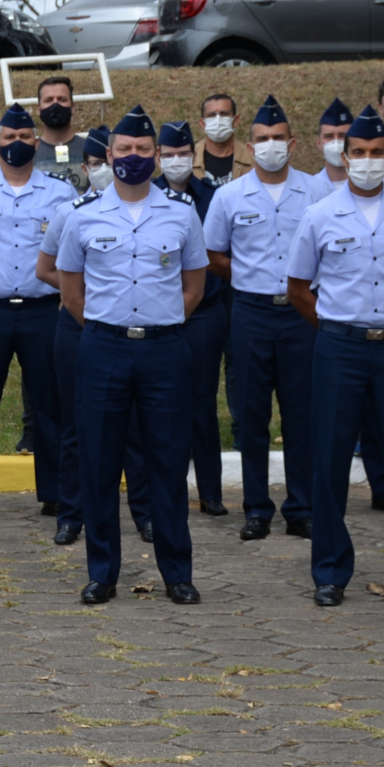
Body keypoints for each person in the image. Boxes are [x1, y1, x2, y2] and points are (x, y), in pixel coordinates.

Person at [285, 105, 384, 608]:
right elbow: (297, 288)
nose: (368, 161)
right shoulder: (320, 214)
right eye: (359, 153)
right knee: (330, 461)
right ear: (345, 155)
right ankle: (330, 572)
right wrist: (336, 326)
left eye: (377, 153)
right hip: (339, 348)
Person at [57, 105, 208, 606]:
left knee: (167, 463)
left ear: (158, 156)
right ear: (108, 154)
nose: (134, 157)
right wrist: (110, 329)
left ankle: (177, 573)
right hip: (102, 347)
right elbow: (72, 292)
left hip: (165, 350)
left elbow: (194, 285)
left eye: (145, 150)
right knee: (99, 464)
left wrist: (161, 323)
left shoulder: (182, 212)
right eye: (125, 149)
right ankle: (102, 573)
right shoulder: (83, 215)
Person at [0, 102, 86, 528]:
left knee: (50, 406)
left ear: (35, 142)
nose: (16, 145)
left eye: (24, 138)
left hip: (42, 312)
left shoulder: (61, 192)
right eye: (8, 138)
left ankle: (55, 494)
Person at [204, 95, 316, 542]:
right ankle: (256, 507)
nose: (270, 145)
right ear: (248, 148)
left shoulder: (318, 191)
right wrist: (247, 276)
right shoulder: (229, 196)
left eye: (278, 138)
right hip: (249, 311)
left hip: (300, 315)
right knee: (250, 414)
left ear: (293, 143)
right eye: (262, 139)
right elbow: (213, 253)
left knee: (300, 414)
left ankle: (301, 507)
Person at [36, 126, 113, 546]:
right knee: (74, 422)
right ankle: (71, 514)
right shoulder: (72, 211)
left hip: (128, 330)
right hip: (79, 324)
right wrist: (79, 301)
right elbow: (45, 269)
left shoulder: (156, 210)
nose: (103, 171)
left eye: (109, 163)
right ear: (85, 168)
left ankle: (143, 513)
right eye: (96, 164)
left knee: (133, 427)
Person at [158, 121, 229, 517]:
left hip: (203, 314)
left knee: (202, 401)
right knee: (159, 404)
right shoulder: (146, 195)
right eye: (168, 154)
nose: (177, 160)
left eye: (183, 153)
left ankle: (211, 491)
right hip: (159, 314)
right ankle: (165, 490)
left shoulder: (213, 196)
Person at [31, 75, 89, 193]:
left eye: (62, 99)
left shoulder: (89, 150)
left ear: (72, 107)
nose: (55, 105)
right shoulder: (28, 153)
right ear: (39, 109)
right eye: (48, 100)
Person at [306, 98, 355, 203]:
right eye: (329, 137)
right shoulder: (308, 189)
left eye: (343, 136)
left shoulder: (371, 185)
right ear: (319, 143)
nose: (336, 142)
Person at [198, 93, 254, 181]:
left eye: (224, 114)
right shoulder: (188, 160)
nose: (218, 120)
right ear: (202, 123)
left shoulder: (253, 160)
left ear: (236, 120)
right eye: (211, 115)